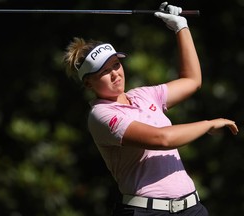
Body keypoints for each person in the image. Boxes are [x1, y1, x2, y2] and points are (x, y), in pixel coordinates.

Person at [63, 2, 238, 216]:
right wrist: (208, 124)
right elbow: (161, 139)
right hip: (146, 211)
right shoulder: (101, 115)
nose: (115, 74)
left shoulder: (143, 95)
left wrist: (181, 28)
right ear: (89, 83)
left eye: (116, 65)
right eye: (104, 72)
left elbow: (192, 80)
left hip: (192, 208)